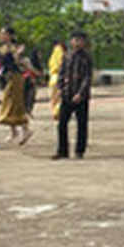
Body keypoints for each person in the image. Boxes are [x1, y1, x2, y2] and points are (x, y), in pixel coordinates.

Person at [0, 26, 34, 146]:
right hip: (9, 78)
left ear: (9, 36)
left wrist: (17, 55)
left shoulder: (14, 48)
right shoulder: (4, 48)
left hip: (16, 78)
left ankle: (25, 129)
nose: (0, 36)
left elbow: (19, 62)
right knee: (8, 104)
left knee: (15, 104)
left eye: (3, 34)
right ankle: (14, 131)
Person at [53, 31, 93, 160]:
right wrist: (59, 88)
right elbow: (61, 73)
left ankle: (79, 151)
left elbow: (87, 77)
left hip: (81, 96)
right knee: (62, 123)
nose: (77, 43)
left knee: (81, 124)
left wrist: (80, 93)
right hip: (67, 94)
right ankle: (62, 150)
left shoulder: (86, 58)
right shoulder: (67, 56)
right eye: (75, 40)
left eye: (80, 40)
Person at [47, 39, 65, 121]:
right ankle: (57, 112)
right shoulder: (59, 51)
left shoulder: (52, 54)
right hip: (59, 76)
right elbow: (61, 63)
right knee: (59, 97)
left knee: (53, 97)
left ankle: (55, 112)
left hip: (52, 77)